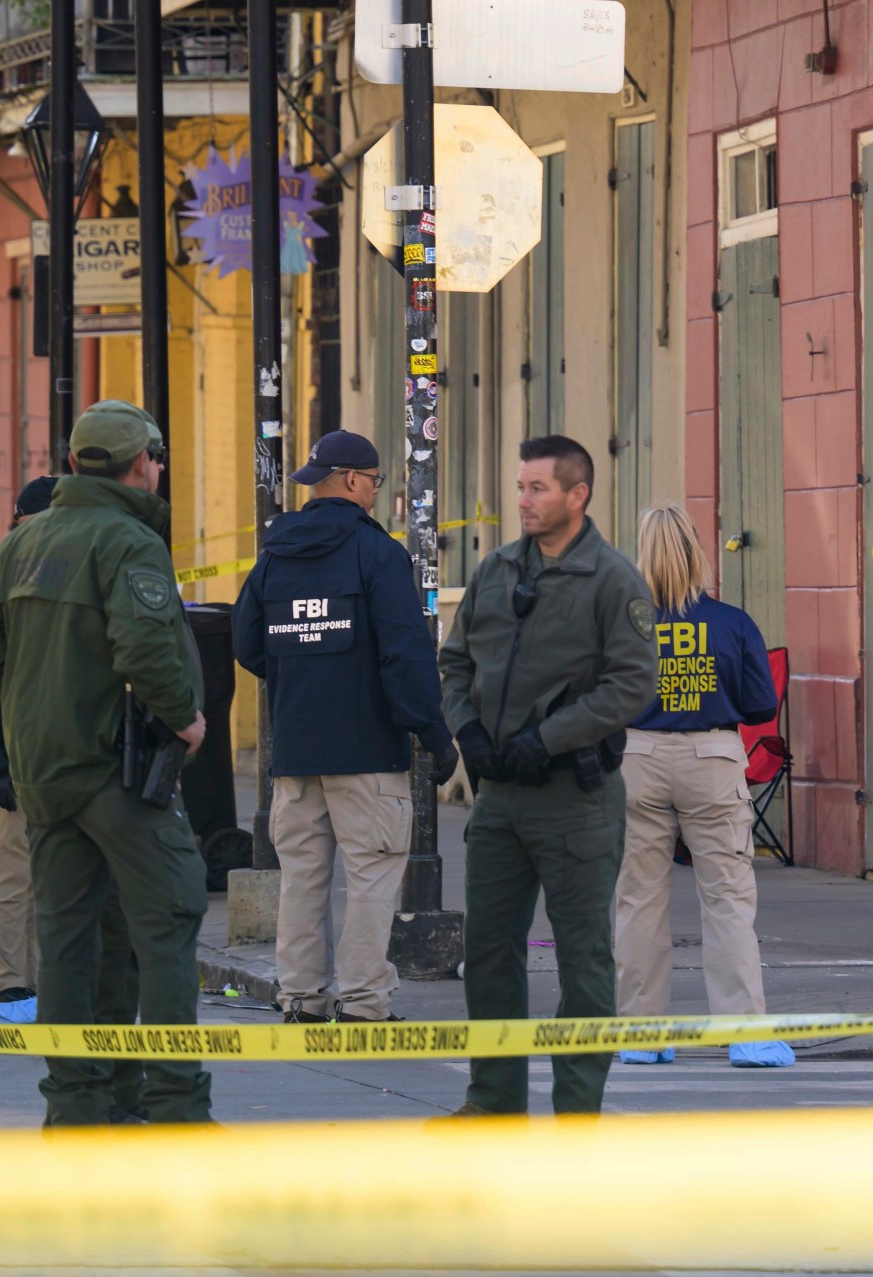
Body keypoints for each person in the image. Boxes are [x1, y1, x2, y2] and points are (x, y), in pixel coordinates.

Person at [0, 399, 213, 1126]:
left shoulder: (23, 543)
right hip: (112, 767)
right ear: (142, 466)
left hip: (42, 772)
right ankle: (173, 1103)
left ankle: (78, 1106)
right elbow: (146, 650)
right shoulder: (127, 541)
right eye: (156, 460)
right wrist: (184, 720)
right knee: (169, 910)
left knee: (70, 937)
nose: (158, 472)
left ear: (74, 463)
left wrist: (41, 689)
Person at [438, 435, 658, 1117]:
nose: (524, 501)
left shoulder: (612, 579)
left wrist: (549, 738)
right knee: (489, 953)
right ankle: (492, 1104)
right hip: (500, 799)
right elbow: (454, 664)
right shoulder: (498, 571)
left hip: (575, 800)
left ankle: (577, 1116)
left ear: (577, 495)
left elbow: (632, 685)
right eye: (521, 487)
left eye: (538, 489)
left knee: (583, 960)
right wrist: (466, 730)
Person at [232, 430, 456, 1023]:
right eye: (376, 483)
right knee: (373, 878)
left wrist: (298, 677)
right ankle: (362, 1004)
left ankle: (302, 998)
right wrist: (433, 735)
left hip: (298, 750)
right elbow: (405, 657)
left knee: (302, 880)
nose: (377, 494)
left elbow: (247, 643)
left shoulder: (274, 554)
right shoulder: (378, 555)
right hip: (367, 752)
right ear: (354, 480)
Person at [610, 504, 791, 1070]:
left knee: (638, 901)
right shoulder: (732, 623)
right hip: (712, 759)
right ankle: (746, 1034)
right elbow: (762, 704)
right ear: (698, 552)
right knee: (728, 899)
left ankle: (642, 1033)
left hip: (636, 757)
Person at [0, 475, 59, 1025]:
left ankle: (46, 983)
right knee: (18, 875)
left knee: (55, 876)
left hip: (63, 757)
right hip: (21, 760)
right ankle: (13, 988)